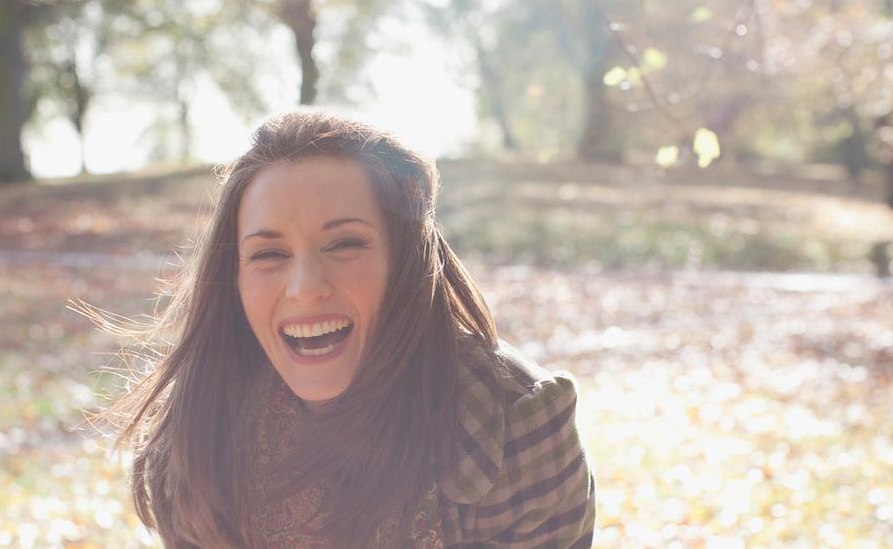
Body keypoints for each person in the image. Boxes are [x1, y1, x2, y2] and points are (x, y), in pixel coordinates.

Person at [110, 110, 595, 547]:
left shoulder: (517, 425)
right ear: (232, 277)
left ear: (405, 262)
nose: (305, 288)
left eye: (344, 244)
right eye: (270, 254)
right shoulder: (197, 419)